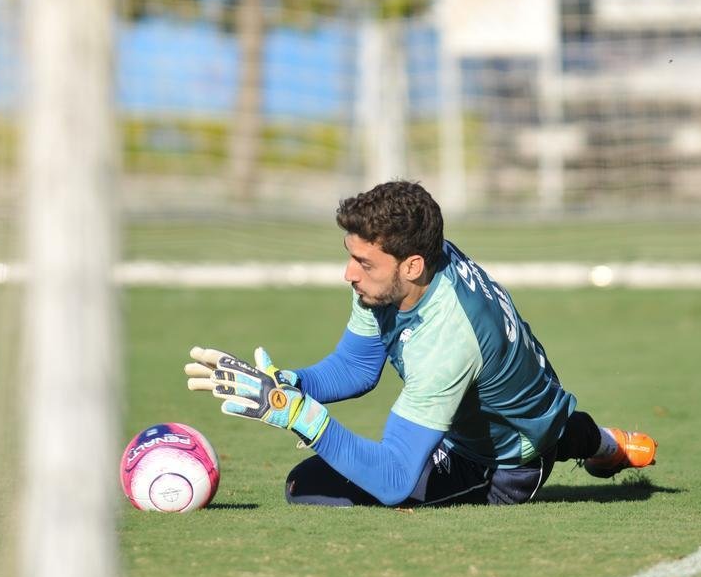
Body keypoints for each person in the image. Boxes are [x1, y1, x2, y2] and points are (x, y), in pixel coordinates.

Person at [185, 180, 656, 507]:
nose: (349, 274)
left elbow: (393, 479)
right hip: (534, 401)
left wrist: (302, 418)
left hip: (500, 466)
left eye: (364, 263)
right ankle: (603, 443)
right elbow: (357, 366)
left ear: (411, 265)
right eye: (351, 257)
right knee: (529, 415)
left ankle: (583, 443)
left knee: (306, 485)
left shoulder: (446, 339)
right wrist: (290, 383)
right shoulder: (417, 260)